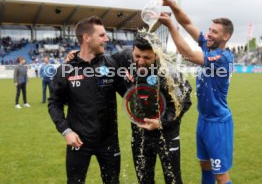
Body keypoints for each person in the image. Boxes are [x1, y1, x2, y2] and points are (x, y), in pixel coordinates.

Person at [156, 0, 234, 184]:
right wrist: (172, 4)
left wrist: (171, 27)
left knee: (220, 175)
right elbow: (188, 23)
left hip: (218, 123)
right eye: (210, 29)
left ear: (226, 36)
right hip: (204, 120)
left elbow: (189, 54)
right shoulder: (209, 46)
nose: (209, 34)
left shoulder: (223, 58)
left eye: (214, 32)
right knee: (205, 165)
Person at [48, 16, 124, 184]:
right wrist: (66, 131)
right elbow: (54, 103)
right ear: (86, 37)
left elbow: (130, 95)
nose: (107, 39)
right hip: (79, 141)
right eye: (102, 35)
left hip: (109, 141)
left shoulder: (112, 64)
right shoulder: (66, 69)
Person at [112, 35, 192, 184]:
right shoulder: (125, 58)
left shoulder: (169, 72)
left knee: (173, 179)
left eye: (147, 58)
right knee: (144, 179)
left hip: (167, 133)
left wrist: (161, 122)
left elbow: (184, 102)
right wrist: (74, 58)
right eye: (137, 56)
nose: (140, 61)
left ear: (156, 55)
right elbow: (101, 61)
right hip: (140, 133)